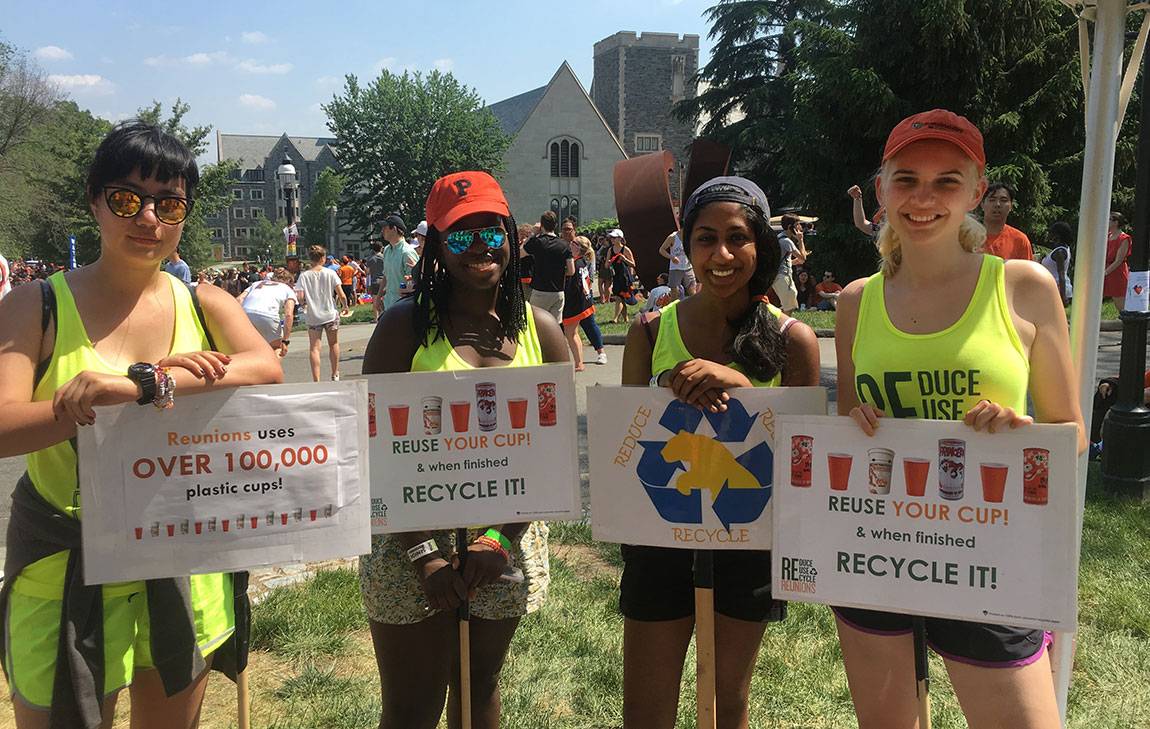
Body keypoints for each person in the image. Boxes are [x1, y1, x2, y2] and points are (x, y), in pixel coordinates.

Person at [0, 120, 283, 729]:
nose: (149, 218)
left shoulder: (204, 302)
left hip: (178, 551)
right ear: (94, 201)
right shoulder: (36, 305)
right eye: (127, 199)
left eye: (169, 203)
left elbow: (265, 369)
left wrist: (146, 385)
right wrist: (83, 408)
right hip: (64, 559)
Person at [832, 108, 1084, 729]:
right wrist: (857, 420)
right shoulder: (856, 302)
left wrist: (1021, 433)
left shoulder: (1023, 286)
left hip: (992, 553)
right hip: (879, 553)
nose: (923, 198)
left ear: (976, 190)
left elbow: (1072, 434)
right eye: (906, 179)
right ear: (882, 189)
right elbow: (849, 425)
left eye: (947, 181)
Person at [359, 171, 568, 729]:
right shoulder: (403, 328)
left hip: (506, 540)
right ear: (435, 246)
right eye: (460, 235)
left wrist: (498, 538)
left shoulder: (543, 332)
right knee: (411, 706)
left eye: (491, 231)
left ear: (511, 236)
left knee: (478, 689)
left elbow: (550, 458)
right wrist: (425, 554)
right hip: (408, 544)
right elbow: (371, 447)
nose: (479, 246)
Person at [620, 176, 819, 729]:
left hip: (747, 536)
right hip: (661, 533)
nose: (722, 255)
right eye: (705, 239)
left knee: (725, 702)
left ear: (761, 244)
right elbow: (628, 443)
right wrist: (666, 390)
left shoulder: (793, 339)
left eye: (738, 238)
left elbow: (802, 462)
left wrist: (745, 390)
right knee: (645, 707)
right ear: (686, 245)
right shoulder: (650, 332)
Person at [296, 244, 348, 381]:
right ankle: (335, 373)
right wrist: (345, 306)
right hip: (330, 313)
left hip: (313, 315)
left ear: (310, 259)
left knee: (314, 348)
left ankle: (316, 379)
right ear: (323, 258)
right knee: (333, 344)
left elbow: (300, 296)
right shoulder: (330, 273)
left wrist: (304, 304)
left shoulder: (304, 276)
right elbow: (341, 294)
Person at [561, 235, 605, 370]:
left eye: (573, 242)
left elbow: (574, 286)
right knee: (574, 333)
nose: (570, 243)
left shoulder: (575, 264)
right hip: (584, 300)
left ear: (578, 247)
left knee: (571, 334)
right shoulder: (581, 261)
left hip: (576, 302)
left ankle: (579, 363)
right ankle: (579, 361)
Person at [522, 211, 574, 322]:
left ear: (542, 225)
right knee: (555, 325)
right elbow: (571, 271)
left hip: (540, 290)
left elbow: (520, 253)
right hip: (558, 291)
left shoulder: (537, 242)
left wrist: (532, 234)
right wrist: (559, 272)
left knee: (537, 324)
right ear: (556, 225)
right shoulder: (565, 245)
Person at [238, 268, 298, 357]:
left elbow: (239, 299)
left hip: (246, 313)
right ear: (288, 281)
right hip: (268, 315)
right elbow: (289, 314)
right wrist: (285, 340)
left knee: (250, 348)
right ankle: (273, 365)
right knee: (277, 348)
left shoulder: (256, 283)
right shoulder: (287, 289)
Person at [981, 182, 1034, 261]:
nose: (997, 204)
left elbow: (1026, 268)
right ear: (982, 204)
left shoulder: (1020, 240)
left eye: (1003, 200)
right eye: (992, 200)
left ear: (1011, 206)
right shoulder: (968, 237)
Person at [380, 213, 420, 312]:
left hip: (403, 307)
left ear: (394, 229)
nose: (382, 231)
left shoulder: (407, 252)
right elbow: (386, 276)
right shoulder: (387, 250)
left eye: (385, 227)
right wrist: (378, 297)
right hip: (388, 303)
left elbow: (414, 280)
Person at [772, 215, 808, 313]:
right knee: (789, 306)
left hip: (779, 275)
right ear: (789, 227)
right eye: (797, 225)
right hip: (783, 276)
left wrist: (792, 262)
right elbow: (803, 258)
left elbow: (785, 260)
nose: (799, 227)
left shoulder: (779, 237)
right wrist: (800, 240)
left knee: (789, 302)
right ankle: (782, 322)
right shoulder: (786, 241)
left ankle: (777, 320)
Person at [607, 228, 639, 323]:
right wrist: (609, 262)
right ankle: (625, 319)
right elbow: (606, 265)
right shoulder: (610, 250)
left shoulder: (625, 249)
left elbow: (633, 264)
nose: (612, 239)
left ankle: (615, 318)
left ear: (620, 238)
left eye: (614, 237)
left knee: (619, 298)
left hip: (625, 277)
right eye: (611, 238)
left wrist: (624, 259)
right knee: (620, 297)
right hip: (616, 276)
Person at [1040, 221, 1075, 306]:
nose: (1049, 235)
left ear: (1057, 235)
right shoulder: (1063, 249)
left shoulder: (1060, 252)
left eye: (1051, 232)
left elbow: (1061, 274)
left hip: (1057, 288)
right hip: (1052, 288)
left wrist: (1063, 296)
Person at [1103, 211, 1132, 310]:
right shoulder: (1107, 236)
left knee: (1120, 303)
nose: (1107, 221)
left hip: (1117, 272)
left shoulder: (1124, 238)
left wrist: (1105, 273)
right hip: (1106, 270)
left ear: (1116, 222)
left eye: (1109, 219)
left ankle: (1128, 319)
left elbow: (1118, 261)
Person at [659, 230, 697, 301]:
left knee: (692, 291)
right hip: (675, 269)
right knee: (675, 293)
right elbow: (662, 250)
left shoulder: (690, 236)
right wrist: (672, 257)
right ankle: (675, 307)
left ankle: (695, 307)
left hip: (688, 268)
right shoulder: (672, 237)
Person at [364, 242, 387, 323]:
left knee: (375, 299)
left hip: (374, 281)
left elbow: (367, 272)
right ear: (381, 248)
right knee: (384, 299)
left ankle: (376, 317)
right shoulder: (384, 257)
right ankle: (385, 314)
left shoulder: (370, 259)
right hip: (384, 280)